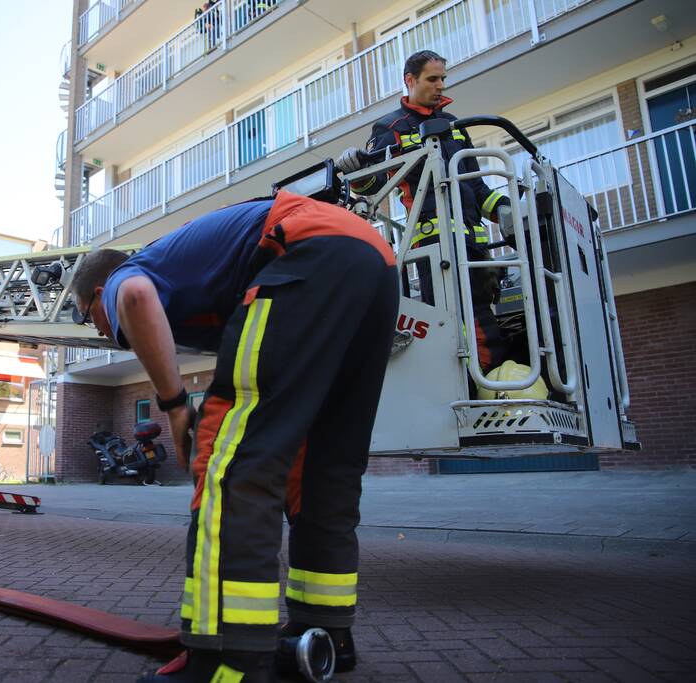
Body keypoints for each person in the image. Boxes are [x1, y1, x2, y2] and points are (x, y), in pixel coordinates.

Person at [70, 189, 398, 682]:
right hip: (375, 263)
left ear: (97, 292)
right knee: (321, 468)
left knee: (233, 463)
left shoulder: (121, 278)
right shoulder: (193, 269)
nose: (97, 331)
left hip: (305, 247)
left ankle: (228, 659)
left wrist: (177, 408)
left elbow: (136, 299)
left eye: (85, 314)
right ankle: (324, 634)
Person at [343, 49, 511, 373]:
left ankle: (494, 398)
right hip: (434, 250)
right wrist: (358, 172)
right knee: (453, 329)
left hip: (474, 247)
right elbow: (375, 185)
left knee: (485, 328)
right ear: (410, 80)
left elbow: (476, 187)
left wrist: (506, 210)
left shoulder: (455, 126)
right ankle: (472, 398)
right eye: (432, 79)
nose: (440, 86)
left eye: (443, 79)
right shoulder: (390, 127)